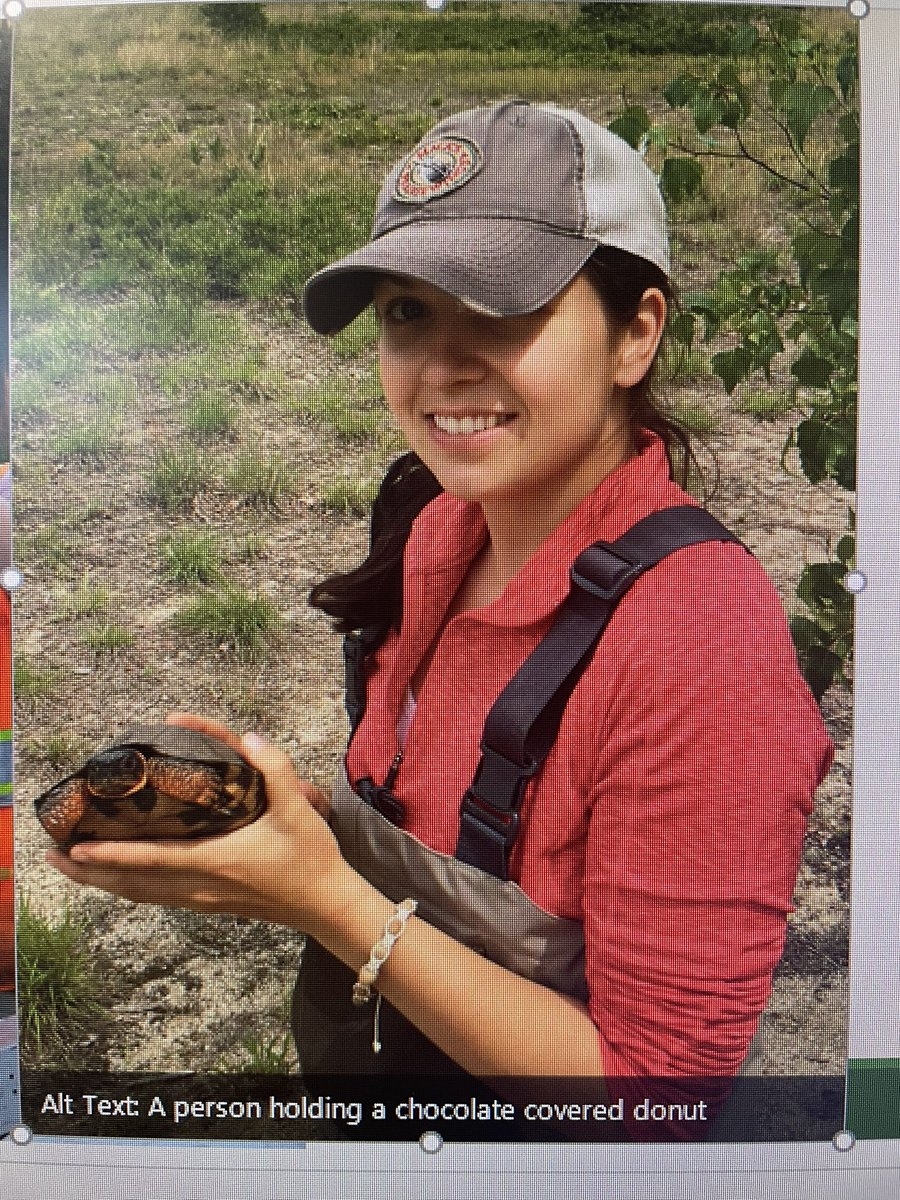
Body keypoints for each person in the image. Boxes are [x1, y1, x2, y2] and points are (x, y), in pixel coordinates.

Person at [49, 101, 833, 1133]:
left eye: (504, 312)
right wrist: (273, 829)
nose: (439, 370)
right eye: (408, 314)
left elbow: (657, 1100)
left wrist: (321, 902)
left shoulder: (699, 645)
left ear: (635, 334)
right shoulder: (439, 523)